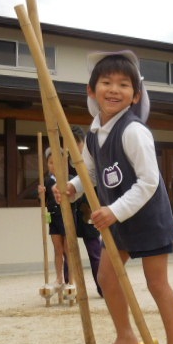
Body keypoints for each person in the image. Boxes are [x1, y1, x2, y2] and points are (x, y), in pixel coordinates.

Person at [55, 50, 173, 344]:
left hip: (146, 216)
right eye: (106, 82)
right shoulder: (94, 131)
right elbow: (90, 172)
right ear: (91, 89)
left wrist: (114, 211)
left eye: (123, 84)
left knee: (156, 284)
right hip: (115, 218)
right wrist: (73, 188)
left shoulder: (134, 131)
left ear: (136, 94)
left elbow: (150, 181)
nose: (114, 89)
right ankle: (126, 335)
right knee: (107, 278)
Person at [65, 125, 103, 297]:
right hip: (76, 206)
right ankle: (68, 283)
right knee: (69, 249)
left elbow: (92, 179)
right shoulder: (72, 159)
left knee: (95, 250)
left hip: (92, 206)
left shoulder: (92, 153)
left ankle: (103, 287)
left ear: (79, 141)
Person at [38, 147, 68, 288]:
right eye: (50, 162)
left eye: (56, 162)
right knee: (58, 250)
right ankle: (59, 278)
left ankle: (71, 279)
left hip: (67, 218)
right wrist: (41, 195)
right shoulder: (45, 182)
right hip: (54, 218)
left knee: (69, 250)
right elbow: (43, 203)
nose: (53, 165)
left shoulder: (70, 180)